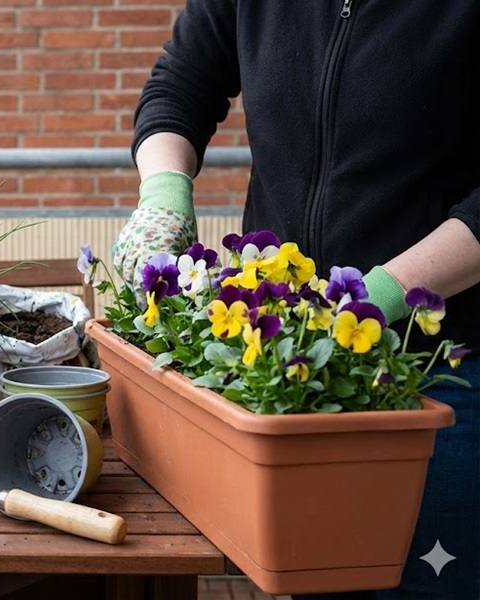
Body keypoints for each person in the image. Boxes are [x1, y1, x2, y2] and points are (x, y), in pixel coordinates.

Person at [112, 2, 480, 599]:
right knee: (321, 578)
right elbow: (182, 80)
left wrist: (377, 297)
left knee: (430, 581)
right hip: (295, 359)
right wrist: (163, 192)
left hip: (437, 368)